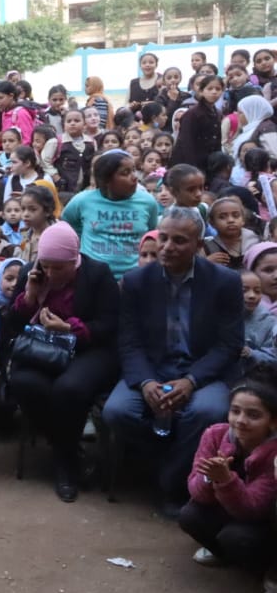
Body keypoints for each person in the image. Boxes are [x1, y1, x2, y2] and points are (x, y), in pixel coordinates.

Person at [103, 207, 244, 518]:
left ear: (198, 245)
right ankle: (167, 465)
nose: (167, 247)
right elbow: (129, 341)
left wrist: (191, 381)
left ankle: (170, 484)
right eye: (163, 238)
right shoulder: (136, 281)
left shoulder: (224, 282)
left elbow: (229, 344)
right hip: (152, 369)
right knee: (117, 411)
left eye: (179, 241)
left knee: (207, 412)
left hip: (203, 372)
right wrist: (146, 382)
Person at [3, 223, 120, 501]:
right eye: (47, 266)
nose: (51, 273)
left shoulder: (97, 274)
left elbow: (109, 325)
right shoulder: (32, 272)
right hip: (42, 349)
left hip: (88, 349)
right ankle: (67, 451)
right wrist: (30, 295)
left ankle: (64, 464)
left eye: (59, 268)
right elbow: (12, 323)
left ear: (74, 260)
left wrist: (68, 328)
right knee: (25, 382)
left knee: (69, 389)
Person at [179, 367, 277, 573]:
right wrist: (209, 477)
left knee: (236, 538)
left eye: (253, 415)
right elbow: (196, 492)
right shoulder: (215, 435)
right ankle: (223, 554)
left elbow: (254, 509)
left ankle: (266, 570)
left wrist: (225, 481)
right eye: (235, 411)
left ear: (273, 422)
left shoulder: (273, 453)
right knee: (189, 516)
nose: (240, 420)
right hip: (227, 509)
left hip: (259, 523)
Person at [60, 150, 161, 280]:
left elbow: (150, 233)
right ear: (106, 180)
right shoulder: (83, 200)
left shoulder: (147, 202)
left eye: (133, 170)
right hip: (93, 278)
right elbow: (68, 225)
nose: (134, 177)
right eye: (125, 173)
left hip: (134, 278)